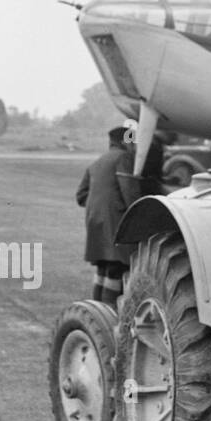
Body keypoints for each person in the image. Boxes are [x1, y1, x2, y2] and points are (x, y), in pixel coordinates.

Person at [75, 127, 134, 305]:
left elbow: (81, 196)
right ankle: (109, 312)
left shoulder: (96, 162)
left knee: (102, 268)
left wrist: (100, 205)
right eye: (131, 140)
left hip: (95, 220)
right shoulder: (123, 158)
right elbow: (129, 192)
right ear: (124, 141)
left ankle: (97, 309)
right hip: (114, 220)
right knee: (116, 268)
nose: (133, 145)